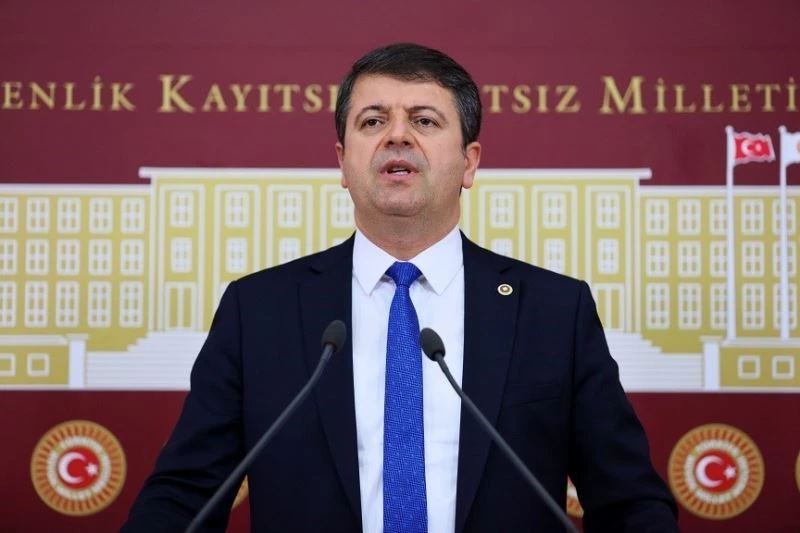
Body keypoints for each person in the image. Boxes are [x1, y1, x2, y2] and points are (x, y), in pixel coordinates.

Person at [121, 43, 679, 532]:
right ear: (343, 164)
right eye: (372, 121)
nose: (396, 135)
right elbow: (184, 496)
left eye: (424, 121)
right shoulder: (260, 312)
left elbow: (628, 501)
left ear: (469, 163)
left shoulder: (554, 312)